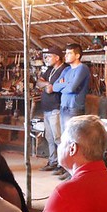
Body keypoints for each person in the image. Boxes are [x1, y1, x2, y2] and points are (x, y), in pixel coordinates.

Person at [49, 44, 91, 180]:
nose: (66, 55)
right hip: (64, 106)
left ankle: (74, 171)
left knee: (74, 141)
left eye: (69, 53)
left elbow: (72, 88)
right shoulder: (66, 70)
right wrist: (64, 85)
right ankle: (66, 169)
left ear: (77, 55)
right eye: (65, 53)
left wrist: (64, 85)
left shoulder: (82, 69)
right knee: (64, 139)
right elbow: (55, 86)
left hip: (74, 107)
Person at [37, 46, 67, 174]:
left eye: (49, 56)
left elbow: (56, 88)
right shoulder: (49, 70)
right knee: (49, 137)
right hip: (46, 108)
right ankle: (52, 161)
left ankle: (62, 164)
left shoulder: (64, 70)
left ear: (57, 57)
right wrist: (47, 84)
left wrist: (49, 86)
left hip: (56, 107)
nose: (47, 59)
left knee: (58, 138)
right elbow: (39, 82)